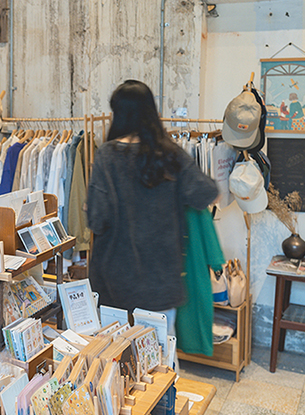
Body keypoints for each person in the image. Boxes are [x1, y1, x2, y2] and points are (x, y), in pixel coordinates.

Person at [86, 80, 218, 333]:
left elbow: (96, 219)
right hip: (161, 282)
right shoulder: (171, 154)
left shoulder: (106, 155)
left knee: (114, 361)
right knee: (160, 362)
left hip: (114, 281)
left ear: (119, 114)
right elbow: (206, 193)